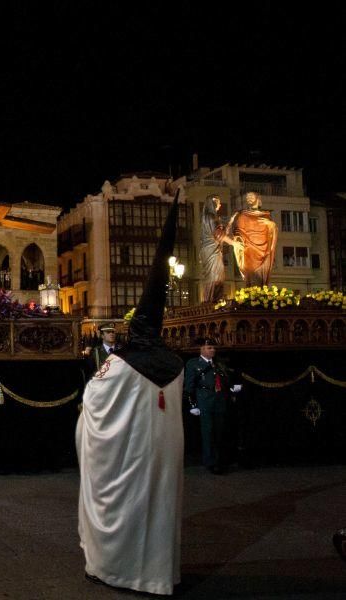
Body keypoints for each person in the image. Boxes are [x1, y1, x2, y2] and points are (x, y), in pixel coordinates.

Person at [77, 190, 184, 595]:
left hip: (128, 459)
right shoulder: (175, 365)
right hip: (164, 458)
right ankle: (159, 574)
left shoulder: (121, 363)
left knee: (128, 509)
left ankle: (118, 569)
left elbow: (95, 401)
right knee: (158, 511)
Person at [184, 337, 240, 474]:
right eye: (209, 348)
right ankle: (210, 462)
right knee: (207, 432)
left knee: (220, 431)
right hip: (204, 400)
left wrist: (232, 388)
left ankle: (220, 460)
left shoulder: (219, 363)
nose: (213, 350)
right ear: (202, 349)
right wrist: (193, 405)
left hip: (219, 399)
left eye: (214, 348)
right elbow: (189, 385)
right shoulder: (193, 364)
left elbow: (224, 379)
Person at [225, 191, 278, 287]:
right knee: (251, 278)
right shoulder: (243, 215)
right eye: (247, 197)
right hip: (249, 252)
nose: (249, 198)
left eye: (251, 196)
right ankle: (252, 297)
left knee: (260, 279)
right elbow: (237, 232)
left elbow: (272, 228)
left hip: (264, 249)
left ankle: (258, 297)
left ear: (258, 199)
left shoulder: (266, 215)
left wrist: (270, 225)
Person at [200, 195, 243, 303]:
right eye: (218, 202)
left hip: (210, 250)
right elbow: (219, 235)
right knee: (216, 275)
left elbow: (222, 234)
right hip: (212, 251)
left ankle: (213, 300)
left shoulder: (208, 217)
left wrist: (230, 222)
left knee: (216, 275)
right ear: (213, 203)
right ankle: (212, 302)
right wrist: (234, 243)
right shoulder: (211, 217)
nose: (219, 205)